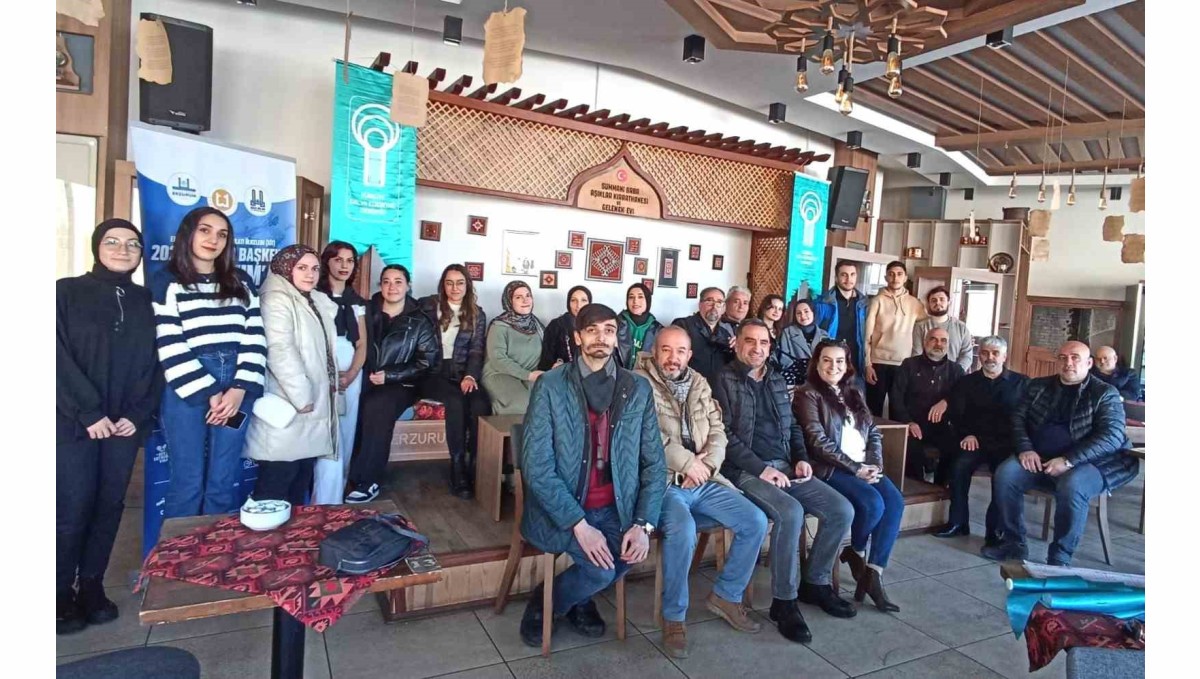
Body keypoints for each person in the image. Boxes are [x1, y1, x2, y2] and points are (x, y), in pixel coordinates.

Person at [517, 304, 666, 648]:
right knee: (601, 569)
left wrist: (642, 524)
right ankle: (548, 601)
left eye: (609, 330)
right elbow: (537, 466)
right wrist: (579, 525)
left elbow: (655, 464)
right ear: (577, 337)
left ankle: (576, 597)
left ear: (617, 337)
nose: (601, 337)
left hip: (617, 507)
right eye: (592, 330)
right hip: (564, 508)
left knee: (629, 555)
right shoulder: (551, 386)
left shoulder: (636, 389)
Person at [713, 319, 856, 644]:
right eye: (750, 341)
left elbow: (792, 426)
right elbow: (724, 435)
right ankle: (784, 601)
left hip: (787, 467)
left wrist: (801, 457)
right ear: (736, 343)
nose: (757, 348)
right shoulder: (723, 379)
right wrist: (762, 470)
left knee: (841, 510)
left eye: (764, 342)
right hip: (745, 471)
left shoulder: (776, 378)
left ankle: (815, 583)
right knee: (790, 513)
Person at [635, 327, 768, 658]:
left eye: (680, 351)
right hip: (663, 482)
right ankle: (674, 617)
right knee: (684, 530)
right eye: (666, 350)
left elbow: (719, 430)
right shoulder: (637, 384)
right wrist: (686, 464)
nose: (673, 357)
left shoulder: (699, 382)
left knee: (754, 519)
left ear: (689, 355)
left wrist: (706, 466)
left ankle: (726, 594)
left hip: (705, 478)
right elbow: (645, 436)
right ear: (655, 351)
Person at [57, 220, 162, 635]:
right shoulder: (65, 292)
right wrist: (88, 413)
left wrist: (135, 415)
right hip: (73, 422)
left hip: (123, 426)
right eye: (113, 242)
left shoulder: (146, 299)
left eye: (132, 243)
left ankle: (93, 585)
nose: (123, 249)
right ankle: (59, 591)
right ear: (96, 246)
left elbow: (157, 364)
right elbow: (53, 355)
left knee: (108, 505)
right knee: (72, 507)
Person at [152, 207, 265, 518]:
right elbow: (169, 342)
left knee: (223, 479)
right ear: (189, 233)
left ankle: (214, 556)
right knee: (187, 481)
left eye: (222, 234)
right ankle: (177, 562)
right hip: (186, 387)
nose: (213, 239)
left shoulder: (241, 281)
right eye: (205, 230)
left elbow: (255, 335)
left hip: (237, 387)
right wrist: (210, 392)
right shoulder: (167, 282)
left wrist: (239, 389)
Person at [982, 341, 1138, 566]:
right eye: (1063, 358)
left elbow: (1112, 436)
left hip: (1093, 461)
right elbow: (1017, 419)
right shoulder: (1038, 386)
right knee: (1006, 474)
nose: (1069, 363)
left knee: (1073, 485)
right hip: (1040, 457)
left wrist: (1069, 460)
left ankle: (1059, 557)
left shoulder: (1105, 393)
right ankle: (1014, 544)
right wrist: (1026, 449)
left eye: (1075, 358)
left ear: (1089, 363)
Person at [794, 340, 902, 612]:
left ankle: (873, 571)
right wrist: (856, 468)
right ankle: (856, 550)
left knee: (895, 502)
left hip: (865, 466)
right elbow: (817, 441)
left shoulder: (854, 391)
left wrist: (874, 464)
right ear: (817, 364)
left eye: (839, 361)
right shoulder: (807, 394)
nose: (833, 366)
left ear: (847, 364)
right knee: (872, 504)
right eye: (827, 360)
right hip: (831, 469)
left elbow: (873, 432)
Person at [243, 245, 339, 506]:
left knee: (299, 479)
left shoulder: (312, 299)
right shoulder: (276, 297)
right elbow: (279, 350)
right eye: (302, 267)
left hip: (312, 403)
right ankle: (264, 544)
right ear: (286, 268)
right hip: (291, 402)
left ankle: (293, 543)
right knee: (276, 481)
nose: (310, 274)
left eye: (315, 268)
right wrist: (302, 396)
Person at [345, 264, 440, 503]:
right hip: (363, 376)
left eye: (398, 281)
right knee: (350, 400)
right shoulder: (366, 311)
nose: (392, 287)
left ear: (408, 285)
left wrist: (390, 375)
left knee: (378, 404)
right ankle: (344, 473)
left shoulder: (420, 320)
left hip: (402, 384)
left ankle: (369, 480)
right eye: (386, 281)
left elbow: (426, 361)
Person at [933, 336, 1028, 543]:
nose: (989, 357)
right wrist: (967, 434)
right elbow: (955, 415)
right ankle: (958, 523)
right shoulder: (966, 382)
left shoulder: (1022, 384)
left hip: (1006, 444)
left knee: (1003, 477)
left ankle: (995, 531)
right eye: (985, 353)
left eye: (995, 353)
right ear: (979, 355)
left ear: (1004, 356)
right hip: (974, 441)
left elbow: (1025, 419)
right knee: (958, 467)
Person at [419, 264, 490, 499]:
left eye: (460, 283)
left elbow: (477, 351)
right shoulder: (429, 306)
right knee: (455, 401)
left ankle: (475, 465)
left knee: (480, 403)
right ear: (443, 285)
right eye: (449, 283)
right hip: (434, 372)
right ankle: (457, 467)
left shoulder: (477, 314)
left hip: (462, 372)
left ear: (467, 285)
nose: (455, 288)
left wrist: (470, 375)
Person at [312, 242, 368, 505]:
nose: (344, 266)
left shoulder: (356, 302)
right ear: (327, 262)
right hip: (320, 370)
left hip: (350, 375)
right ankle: (317, 498)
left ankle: (337, 497)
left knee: (345, 432)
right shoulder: (313, 296)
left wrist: (351, 374)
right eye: (338, 260)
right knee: (322, 435)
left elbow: (362, 344)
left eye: (350, 261)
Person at [890, 327, 965, 484]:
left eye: (943, 340)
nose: (939, 344)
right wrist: (908, 422)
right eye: (933, 339)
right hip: (912, 423)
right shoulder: (908, 365)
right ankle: (917, 488)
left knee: (955, 447)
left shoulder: (956, 370)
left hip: (942, 426)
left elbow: (962, 398)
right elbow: (896, 397)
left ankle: (940, 489)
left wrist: (946, 402)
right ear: (925, 342)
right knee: (910, 449)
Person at [863, 261, 926, 416]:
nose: (895, 278)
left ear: (905, 278)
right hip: (878, 362)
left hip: (904, 363)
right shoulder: (877, 301)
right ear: (886, 277)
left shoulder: (914, 303)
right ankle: (872, 440)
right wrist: (867, 364)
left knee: (899, 409)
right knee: (873, 408)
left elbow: (925, 326)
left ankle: (896, 441)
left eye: (899, 274)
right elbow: (866, 336)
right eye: (891, 274)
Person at [483, 281, 545, 415]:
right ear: (509, 301)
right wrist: (528, 375)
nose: (525, 300)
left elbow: (548, 351)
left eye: (528, 295)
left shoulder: (537, 326)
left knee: (545, 402)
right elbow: (498, 359)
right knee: (523, 404)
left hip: (530, 376)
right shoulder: (499, 326)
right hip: (500, 374)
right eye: (518, 297)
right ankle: (507, 435)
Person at [813, 260, 869, 374]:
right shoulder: (822, 303)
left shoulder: (864, 304)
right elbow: (813, 333)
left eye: (852, 275)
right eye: (844, 275)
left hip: (856, 361)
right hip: (831, 362)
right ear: (836, 277)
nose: (849, 279)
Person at [672, 287, 736, 384]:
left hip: (717, 389)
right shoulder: (682, 326)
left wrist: (737, 350)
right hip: (688, 387)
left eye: (719, 303)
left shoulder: (725, 334)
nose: (714, 307)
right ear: (700, 304)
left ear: (723, 309)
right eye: (709, 301)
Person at [911, 286, 974, 372]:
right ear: (928, 304)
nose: (938, 303)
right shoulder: (920, 327)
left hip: (953, 376)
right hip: (926, 375)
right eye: (933, 300)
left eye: (942, 299)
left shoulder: (961, 327)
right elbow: (916, 353)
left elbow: (966, 355)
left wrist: (957, 372)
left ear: (949, 302)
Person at [539, 285, 591, 370]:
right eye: (573, 300)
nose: (578, 305)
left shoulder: (595, 326)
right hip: (562, 376)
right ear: (568, 303)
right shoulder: (556, 325)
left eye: (583, 300)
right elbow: (546, 359)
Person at [777, 299, 830, 381]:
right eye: (798, 313)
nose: (803, 316)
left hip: (819, 379)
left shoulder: (824, 335)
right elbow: (784, 359)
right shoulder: (788, 332)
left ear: (813, 312)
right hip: (795, 379)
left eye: (806, 311)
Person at [616, 282, 663, 369]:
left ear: (648, 300)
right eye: (631, 297)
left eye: (640, 297)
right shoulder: (616, 323)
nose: (635, 301)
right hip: (618, 374)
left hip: (645, 376)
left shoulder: (658, 330)